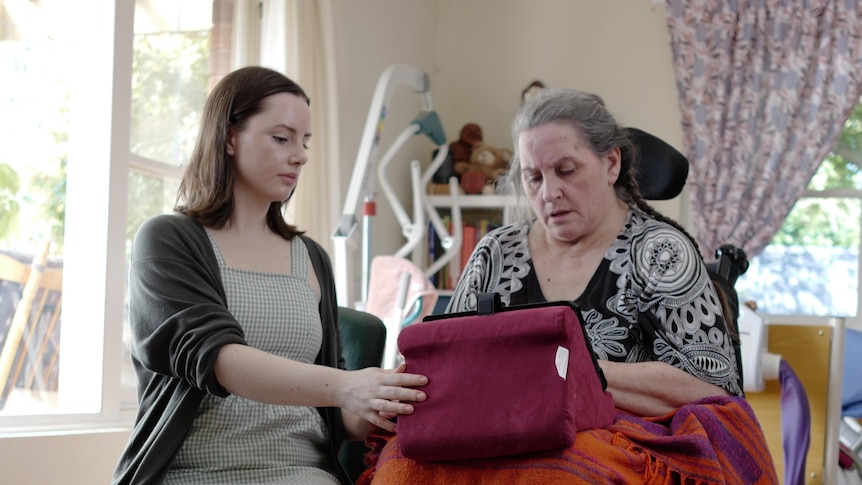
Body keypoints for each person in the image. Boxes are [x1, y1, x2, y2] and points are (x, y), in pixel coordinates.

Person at [112, 66, 427, 485]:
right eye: (282, 138)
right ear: (228, 137)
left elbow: (337, 413)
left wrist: (385, 398)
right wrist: (346, 386)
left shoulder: (312, 259)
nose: (299, 155)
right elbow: (220, 359)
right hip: (193, 474)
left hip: (305, 476)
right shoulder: (169, 240)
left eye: (305, 142)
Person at [446, 88, 742, 417]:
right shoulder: (495, 253)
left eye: (567, 170)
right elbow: (444, 363)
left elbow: (717, 395)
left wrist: (571, 369)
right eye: (533, 178)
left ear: (610, 163)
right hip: (497, 446)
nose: (549, 193)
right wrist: (379, 385)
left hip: (615, 457)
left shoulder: (661, 254)